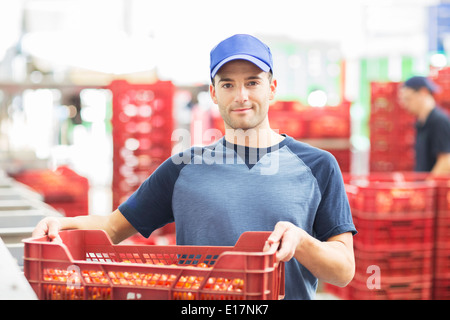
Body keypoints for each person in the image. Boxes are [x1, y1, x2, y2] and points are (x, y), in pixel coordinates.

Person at [32, 34, 357, 300]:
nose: (241, 95)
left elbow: (343, 271)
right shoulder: (182, 168)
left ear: (271, 88)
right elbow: (113, 228)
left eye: (253, 82)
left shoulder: (318, 166)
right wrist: (62, 226)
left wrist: (301, 242)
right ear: (214, 93)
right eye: (228, 84)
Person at [399, 76, 450, 174]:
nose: (405, 104)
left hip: (433, 187)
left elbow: (446, 161)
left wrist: (426, 186)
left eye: (408, 99)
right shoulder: (421, 123)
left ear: (423, 92)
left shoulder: (439, 121)